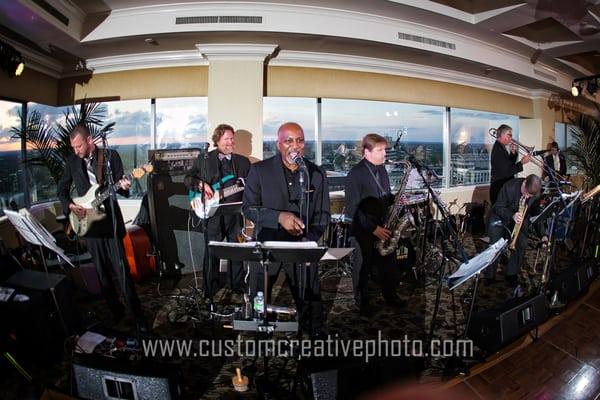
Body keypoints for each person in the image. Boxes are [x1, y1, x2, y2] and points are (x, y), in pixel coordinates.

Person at [242, 122, 330, 337]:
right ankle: (260, 333)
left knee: (310, 294)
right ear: (278, 144)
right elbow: (249, 208)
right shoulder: (259, 170)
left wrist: (309, 240)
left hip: (301, 246)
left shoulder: (316, 174)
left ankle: (313, 334)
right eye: (289, 141)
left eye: (300, 140)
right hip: (267, 243)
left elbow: (323, 214)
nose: (295, 146)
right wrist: (278, 217)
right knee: (260, 294)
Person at [57, 125, 147, 332]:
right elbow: (61, 190)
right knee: (102, 274)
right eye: (73, 147)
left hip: (110, 223)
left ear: (89, 140)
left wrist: (125, 185)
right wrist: (71, 205)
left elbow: (120, 186)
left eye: (78, 146)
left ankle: (138, 316)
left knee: (121, 271)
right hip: (89, 226)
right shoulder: (72, 161)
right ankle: (116, 311)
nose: (76, 151)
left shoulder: (109, 156)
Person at [184, 124, 251, 298]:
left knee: (236, 250)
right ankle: (210, 287)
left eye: (232, 138)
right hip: (212, 215)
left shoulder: (242, 162)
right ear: (217, 140)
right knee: (212, 250)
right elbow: (188, 178)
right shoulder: (204, 159)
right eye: (227, 139)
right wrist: (201, 185)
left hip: (235, 214)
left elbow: (253, 187)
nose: (231, 142)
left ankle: (236, 285)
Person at [344, 133, 406, 321]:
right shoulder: (355, 173)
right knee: (362, 267)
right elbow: (353, 206)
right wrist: (373, 228)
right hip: (364, 229)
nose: (384, 154)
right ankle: (362, 302)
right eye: (380, 150)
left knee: (388, 264)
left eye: (385, 149)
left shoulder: (382, 170)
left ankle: (390, 295)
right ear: (366, 152)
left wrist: (396, 200)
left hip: (382, 225)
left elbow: (384, 196)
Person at [485, 174, 547, 288]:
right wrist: (512, 215)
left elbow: (536, 216)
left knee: (522, 244)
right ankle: (489, 276)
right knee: (494, 246)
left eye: (530, 195)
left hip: (518, 220)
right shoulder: (509, 187)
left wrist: (543, 234)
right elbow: (498, 207)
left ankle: (511, 275)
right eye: (526, 192)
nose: (527, 196)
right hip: (499, 216)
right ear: (524, 182)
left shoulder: (535, 195)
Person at [490, 124, 530, 205]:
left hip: (502, 187)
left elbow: (509, 165)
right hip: (499, 188)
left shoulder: (501, 147)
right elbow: (507, 172)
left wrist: (513, 153)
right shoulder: (498, 150)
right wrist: (521, 163)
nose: (511, 138)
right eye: (509, 135)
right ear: (502, 135)